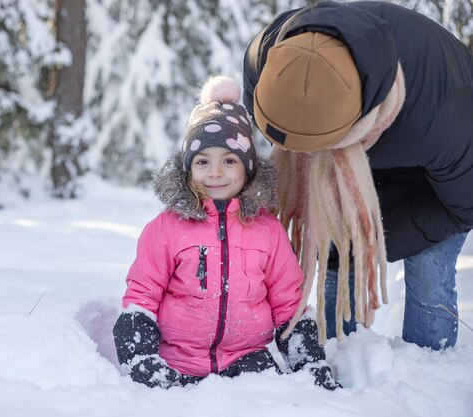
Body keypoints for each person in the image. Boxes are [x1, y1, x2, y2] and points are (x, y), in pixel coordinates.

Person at [242, 1, 473, 349]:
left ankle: (429, 367)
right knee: (337, 250)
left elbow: (462, 208)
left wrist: (369, 240)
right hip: (355, 160)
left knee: (428, 267)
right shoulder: (267, 59)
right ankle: (336, 354)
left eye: (315, 146)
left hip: (433, 184)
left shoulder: (445, 115)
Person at [113, 75, 340, 390]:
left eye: (229, 161)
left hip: (248, 363)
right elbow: (142, 296)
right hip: (176, 364)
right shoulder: (166, 228)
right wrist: (141, 359)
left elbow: (288, 301)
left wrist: (309, 360)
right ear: (188, 169)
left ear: (247, 170)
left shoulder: (268, 231)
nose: (215, 172)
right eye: (203, 161)